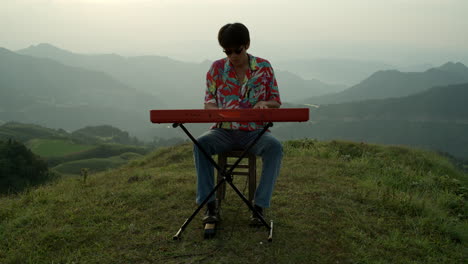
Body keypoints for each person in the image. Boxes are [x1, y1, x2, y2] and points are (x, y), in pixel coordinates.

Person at [194, 22, 283, 226]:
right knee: (201, 144)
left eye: (237, 50)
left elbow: (276, 102)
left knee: (275, 148)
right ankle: (210, 206)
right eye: (227, 51)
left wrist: (264, 103)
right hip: (223, 131)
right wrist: (215, 111)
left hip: (255, 132)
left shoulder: (264, 67)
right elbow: (208, 101)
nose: (232, 55)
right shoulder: (216, 69)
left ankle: (258, 205)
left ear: (247, 44)